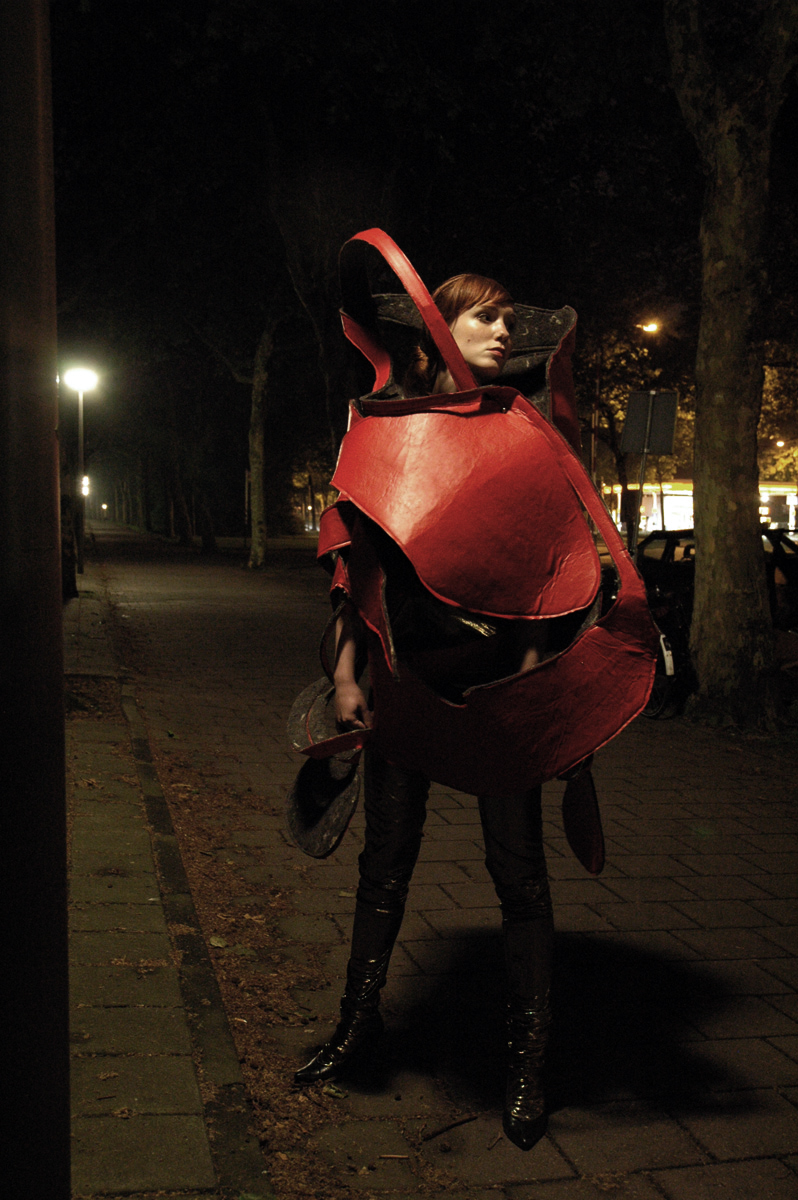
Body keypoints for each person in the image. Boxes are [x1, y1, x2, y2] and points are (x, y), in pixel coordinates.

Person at [293, 272, 559, 1152]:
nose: (503, 329)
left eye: (508, 318)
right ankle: (356, 1026)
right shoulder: (384, 430)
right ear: (437, 331)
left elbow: (547, 566)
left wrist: (530, 678)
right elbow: (359, 566)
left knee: (520, 878)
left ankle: (527, 1065)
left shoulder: (522, 430)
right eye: (485, 316)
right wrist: (347, 675)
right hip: (403, 681)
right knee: (384, 866)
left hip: (495, 692)